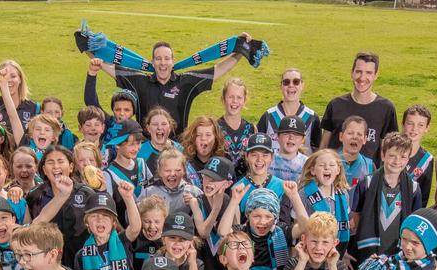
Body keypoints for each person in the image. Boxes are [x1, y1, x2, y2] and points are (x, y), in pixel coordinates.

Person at [91, 35, 253, 131]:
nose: (163, 63)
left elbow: (217, 69)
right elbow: (110, 68)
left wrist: (240, 51)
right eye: (158, 59)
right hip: (145, 148)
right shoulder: (140, 81)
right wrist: (88, 50)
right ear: (152, 62)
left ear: (173, 61)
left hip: (177, 149)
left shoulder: (186, 82)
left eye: (167, 58)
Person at [346, 132, 421, 270]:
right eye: (393, 155)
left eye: (402, 157)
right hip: (367, 247)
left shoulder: (413, 188)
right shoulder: (367, 183)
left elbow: (414, 223)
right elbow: (355, 218)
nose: (397, 161)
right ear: (383, 154)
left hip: (396, 248)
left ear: (408, 159)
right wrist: (348, 249)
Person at [320, 52, 397, 159]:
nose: (362, 78)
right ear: (352, 73)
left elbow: (390, 150)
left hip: (369, 173)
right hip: (337, 172)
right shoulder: (335, 105)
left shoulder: (386, 108)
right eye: (358, 72)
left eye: (368, 73)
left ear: (376, 75)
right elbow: (323, 146)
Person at [280, 213, 349, 270]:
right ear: (304, 239)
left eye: (325, 242)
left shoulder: (338, 266)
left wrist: (332, 266)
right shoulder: (294, 262)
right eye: (314, 241)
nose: (318, 248)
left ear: (334, 243)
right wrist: (302, 261)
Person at [298, 149, 352, 250]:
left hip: (336, 250)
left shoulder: (344, 194)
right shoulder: (304, 193)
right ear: (313, 170)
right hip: (311, 249)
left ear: (338, 170)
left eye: (332, 165)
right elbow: (297, 225)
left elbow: (346, 221)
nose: (327, 168)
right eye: (322, 165)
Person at [259, 68, 319, 152]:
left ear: (302, 85)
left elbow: (317, 150)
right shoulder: (268, 116)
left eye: (296, 82)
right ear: (281, 86)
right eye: (286, 82)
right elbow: (259, 148)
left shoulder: (312, 117)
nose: (291, 85)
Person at [0, 60, 40, 145]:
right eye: (4, 77)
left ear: (20, 79)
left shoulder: (35, 108)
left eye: (13, 76)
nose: (8, 80)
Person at [218, 78, 256, 170]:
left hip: (245, 182)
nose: (235, 101)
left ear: (244, 100)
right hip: (221, 182)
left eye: (239, 97)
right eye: (231, 97)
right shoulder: (215, 127)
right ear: (223, 99)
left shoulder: (251, 129)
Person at [401, 104, 434, 201]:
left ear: (427, 128)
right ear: (403, 124)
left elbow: (424, 196)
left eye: (420, 125)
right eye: (410, 123)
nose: (414, 129)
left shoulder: (427, 160)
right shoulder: (389, 151)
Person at [270, 117, 308, 183]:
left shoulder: (307, 163)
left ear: (302, 140)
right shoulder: (268, 157)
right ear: (278, 137)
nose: (291, 138)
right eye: (286, 134)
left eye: (296, 135)